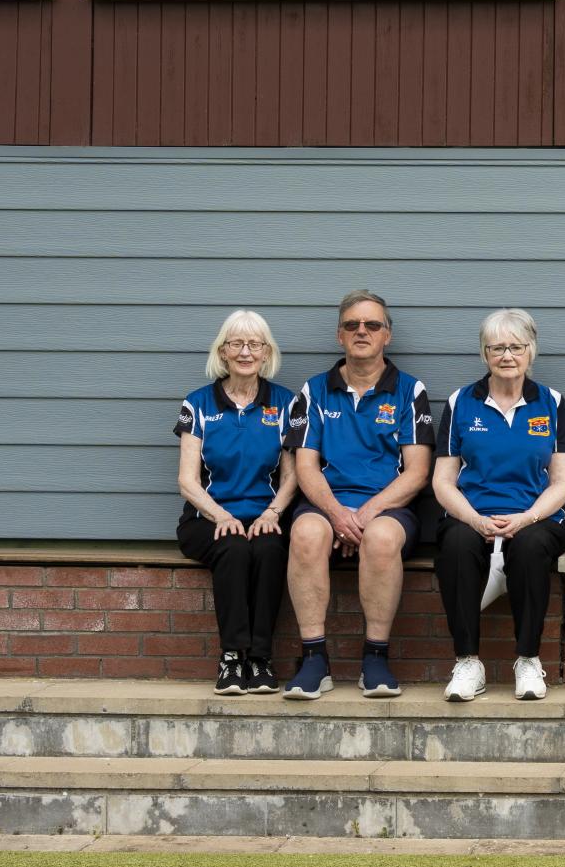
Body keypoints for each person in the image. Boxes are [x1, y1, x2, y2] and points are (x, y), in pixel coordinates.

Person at [281, 290, 433, 701]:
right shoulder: (313, 391)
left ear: (388, 335)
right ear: (339, 335)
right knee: (306, 535)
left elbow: (417, 472)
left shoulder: (409, 390)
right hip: (325, 503)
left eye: (372, 325)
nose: (361, 331)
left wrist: (363, 515)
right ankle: (314, 660)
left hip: (386, 507)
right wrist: (336, 514)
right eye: (352, 325)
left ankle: (375, 660)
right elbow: (306, 466)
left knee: (382, 539)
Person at [432, 308, 565, 703]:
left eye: (516, 347)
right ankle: (467, 662)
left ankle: (528, 660)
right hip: (471, 514)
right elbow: (443, 481)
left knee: (532, 548)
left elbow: (563, 480)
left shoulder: (550, 402)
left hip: (534, 515)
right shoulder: (461, 401)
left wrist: (526, 518)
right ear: (484, 354)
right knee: (456, 546)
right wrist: (475, 519)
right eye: (497, 347)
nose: (507, 356)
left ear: (531, 351)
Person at [173, 310, 298, 694]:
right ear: (222, 352)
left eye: (254, 344)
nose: (245, 352)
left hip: (264, 515)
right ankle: (232, 658)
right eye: (236, 344)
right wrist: (221, 515)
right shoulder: (197, 404)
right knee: (233, 549)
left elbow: (293, 475)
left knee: (270, 550)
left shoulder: (285, 403)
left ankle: (260, 660)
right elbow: (187, 481)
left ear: (266, 353)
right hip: (206, 518)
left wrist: (273, 512)